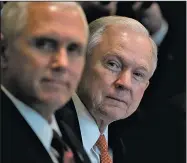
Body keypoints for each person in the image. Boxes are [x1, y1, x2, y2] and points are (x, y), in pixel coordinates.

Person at [56, 16, 158, 163]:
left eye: (138, 74)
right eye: (113, 64)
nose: (125, 83)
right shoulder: (47, 127)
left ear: (145, 87)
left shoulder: (126, 145)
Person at [1, 2, 91, 163]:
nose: (62, 63)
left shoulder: (66, 135)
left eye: (73, 49)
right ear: (3, 51)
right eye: (45, 44)